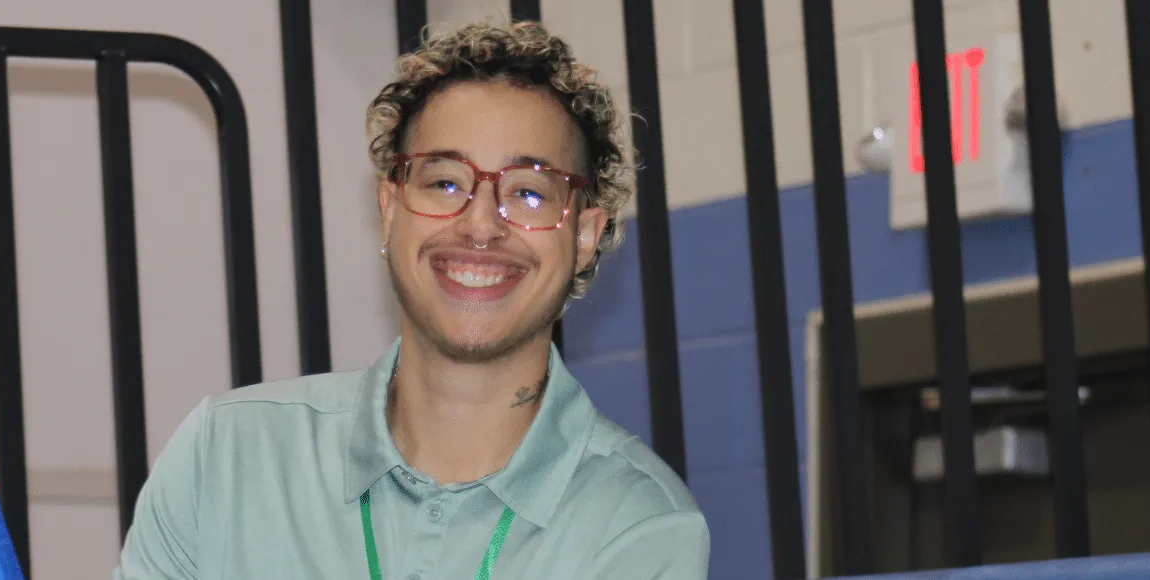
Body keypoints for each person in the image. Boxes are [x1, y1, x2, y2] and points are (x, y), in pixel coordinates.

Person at [115, 19, 709, 579]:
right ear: (390, 209)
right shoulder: (227, 456)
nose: (480, 225)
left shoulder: (638, 524)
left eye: (528, 193)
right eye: (445, 182)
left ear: (584, 236)